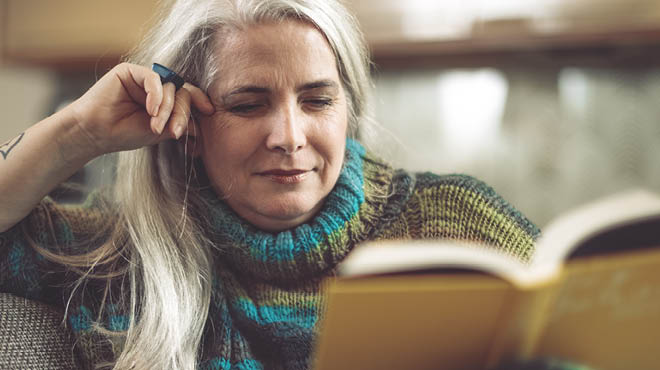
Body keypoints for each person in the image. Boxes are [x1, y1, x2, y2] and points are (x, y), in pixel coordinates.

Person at [0, 0, 540, 369]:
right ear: (188, 129)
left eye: (317, 100)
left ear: (347, 108)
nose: (288, 136)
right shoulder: (121, 259)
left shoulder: (455, 221)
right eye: (248, 104)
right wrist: (74, 134)